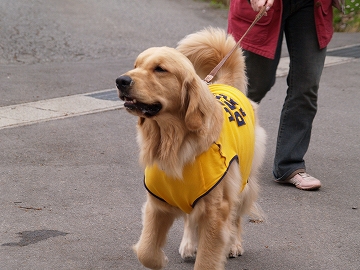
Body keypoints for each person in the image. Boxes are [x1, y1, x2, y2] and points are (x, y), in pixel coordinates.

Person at [228, 0, 335, 190]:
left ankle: (290, 165)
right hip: (266, 5)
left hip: (312, 5)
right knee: (253, 86)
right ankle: (221, 152)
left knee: (306, 86)